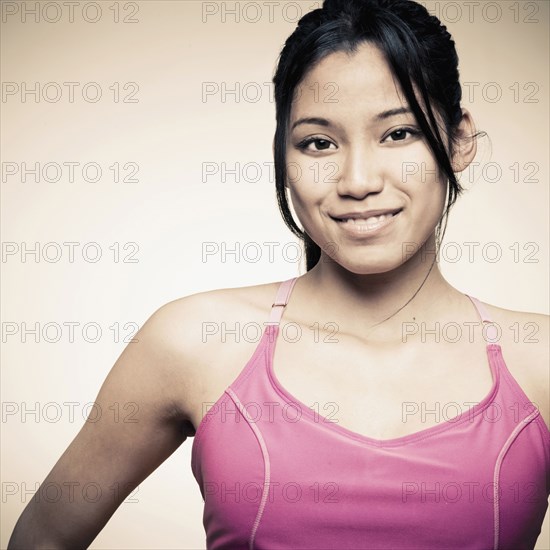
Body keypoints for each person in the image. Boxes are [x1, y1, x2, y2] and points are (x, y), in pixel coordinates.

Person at [8, 0, 549, 548]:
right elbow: (42, 539)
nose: (357, 180)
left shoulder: (541, 361)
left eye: (397, 133)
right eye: (319, 142)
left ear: (458, 142)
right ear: (283, 157)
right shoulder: (195, 341)